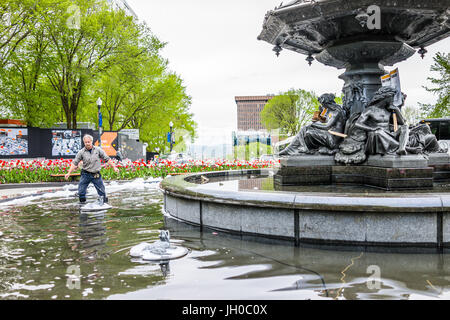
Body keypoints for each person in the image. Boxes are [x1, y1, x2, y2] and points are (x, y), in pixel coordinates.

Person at [279, 93, 347, 156]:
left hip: (333, 139)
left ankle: (294, 149)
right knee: (304, 129)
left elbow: (327, 126)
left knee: (308, 132)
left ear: (327, 103)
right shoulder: (330, 111)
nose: (324, 108)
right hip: (328, 134)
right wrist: (319, 118)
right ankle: (290, 149)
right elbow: (326, 121)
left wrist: (312, 125)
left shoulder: (336, 112)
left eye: (323, 105)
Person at [65, 134, 119, 203]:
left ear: (91, 141)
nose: (87, 144)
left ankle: (104, 203)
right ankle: (82, 204)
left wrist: (114, 167)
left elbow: (107, 159)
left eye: (88, 142)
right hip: (85, 174)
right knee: (81, 192)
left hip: (96, 174)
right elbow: (74, 162)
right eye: (85, 142)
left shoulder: (98, 150)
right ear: (84, 142)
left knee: (102, 192)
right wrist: (69, 173)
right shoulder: (81, 152)